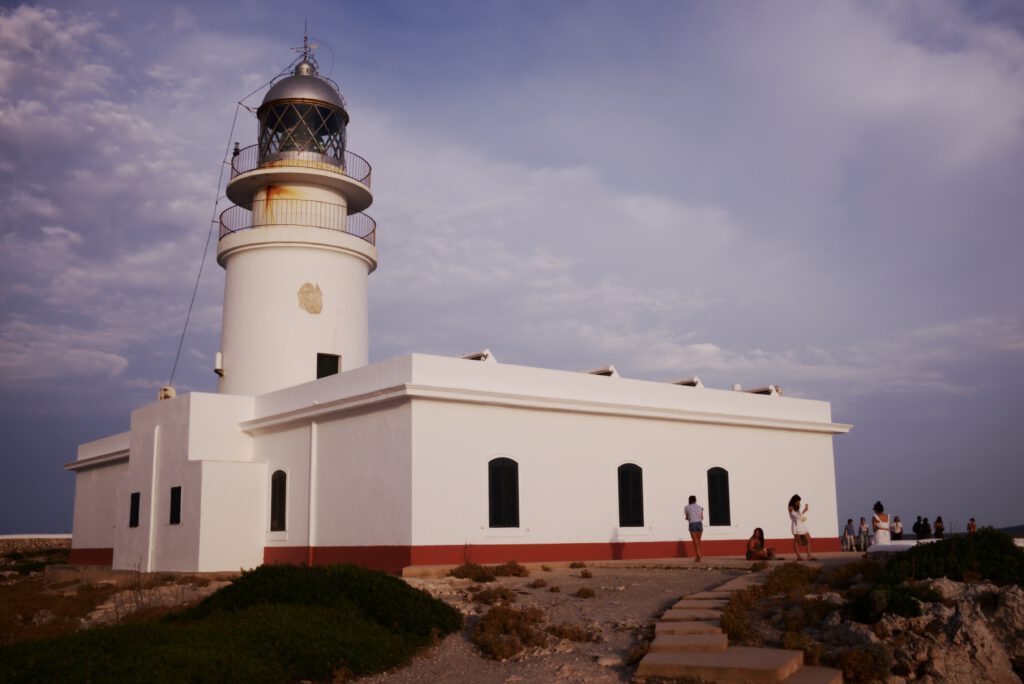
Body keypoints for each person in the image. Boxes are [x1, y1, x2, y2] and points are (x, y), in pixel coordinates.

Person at [788, 494, 816, 561]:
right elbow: (796, 516)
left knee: (808, 539)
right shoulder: (790, 507)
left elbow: (800, 517)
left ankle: (809, 556)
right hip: (796, 526)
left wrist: (804, 513)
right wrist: (804, 511)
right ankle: (799, 557)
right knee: (796, 541)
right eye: (798, 501)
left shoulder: (796, 508)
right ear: (794, 501)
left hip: (801, 525)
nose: (799, 503)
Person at [684, 495, 704, 562]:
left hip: (692, 524)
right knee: (698, 542)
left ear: (689, 500)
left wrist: (687, 518)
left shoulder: (687, 507)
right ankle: (698, 557)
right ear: (695, 500)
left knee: (695, 542)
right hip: (700, 524)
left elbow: (687, 516)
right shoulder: (700, 507)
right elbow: (702, 517)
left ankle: (699, 556)